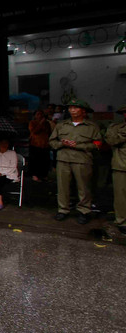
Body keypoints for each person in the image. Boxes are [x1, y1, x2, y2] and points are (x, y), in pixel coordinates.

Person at [49, 99, 101, 224]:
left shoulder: (92, 126)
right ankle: (63, 209)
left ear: (83, 111)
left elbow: (98, 144)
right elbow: (52, 141)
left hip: (82, 160)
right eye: (70, 108)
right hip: (63, 159)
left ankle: (84, 211)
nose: (72, 110)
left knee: (83, 187)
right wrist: (62, 143)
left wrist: (79, 146)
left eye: (75, 108)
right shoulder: (61, 125)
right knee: (62, 186)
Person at [104, 104, 126, 238]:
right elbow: (111, 140)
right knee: (121, 197)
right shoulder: (115, 127)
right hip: (121, 166)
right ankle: (122, 221)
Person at [27, 109, 52, 182]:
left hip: (45, 144)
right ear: (35, 116)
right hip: (35, 144)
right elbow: (34, 131)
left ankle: (44, 175)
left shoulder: (47, 123)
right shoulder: (32, 122)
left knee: (44, 161)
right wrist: (40, 123)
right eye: (38, 114)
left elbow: (49, 132)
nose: (40, 116)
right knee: (35, 160)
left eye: (41, 114)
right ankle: (34, 175)